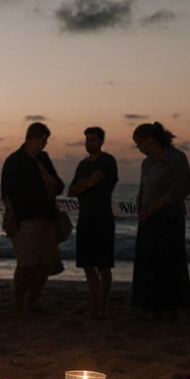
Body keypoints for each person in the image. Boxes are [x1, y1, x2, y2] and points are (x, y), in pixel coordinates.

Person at [130, 122, 190, 320]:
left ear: (150, 139)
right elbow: (144, 187)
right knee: (149, 264)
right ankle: (152, 306)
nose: (138, 147)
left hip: (168, 218)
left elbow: (181, 188)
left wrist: (155, 207)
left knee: (170, 263)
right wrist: (140, 206)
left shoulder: (175, 158)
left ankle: (171, 308)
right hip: (148, 218)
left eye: (139, 143)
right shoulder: (147, 163)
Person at [1, 122, 64, 313]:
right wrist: (41, 195)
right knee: (26, 265)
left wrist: (52, 189)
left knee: (44, 265)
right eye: (43, 141)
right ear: (32, 139)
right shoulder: (14, 161)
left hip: (47, 219)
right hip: (26, 221)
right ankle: (19, 302)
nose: (44, 145)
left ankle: (30, 303)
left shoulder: (44, 159)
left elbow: (59, 185)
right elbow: (7, 194)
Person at [67, 127, 118, 318]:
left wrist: (85, 184)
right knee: (87, 264)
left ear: (101, 141)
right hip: (85, 218)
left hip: (102, 218)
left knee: (103, 265)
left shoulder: (107, 161)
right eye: (87, 139)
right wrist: (85, 184)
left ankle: (103, 306)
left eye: (93, 139)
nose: (90, 143)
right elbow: (72, 190)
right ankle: (95, 304)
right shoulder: (82, 164)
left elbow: (92, 183)